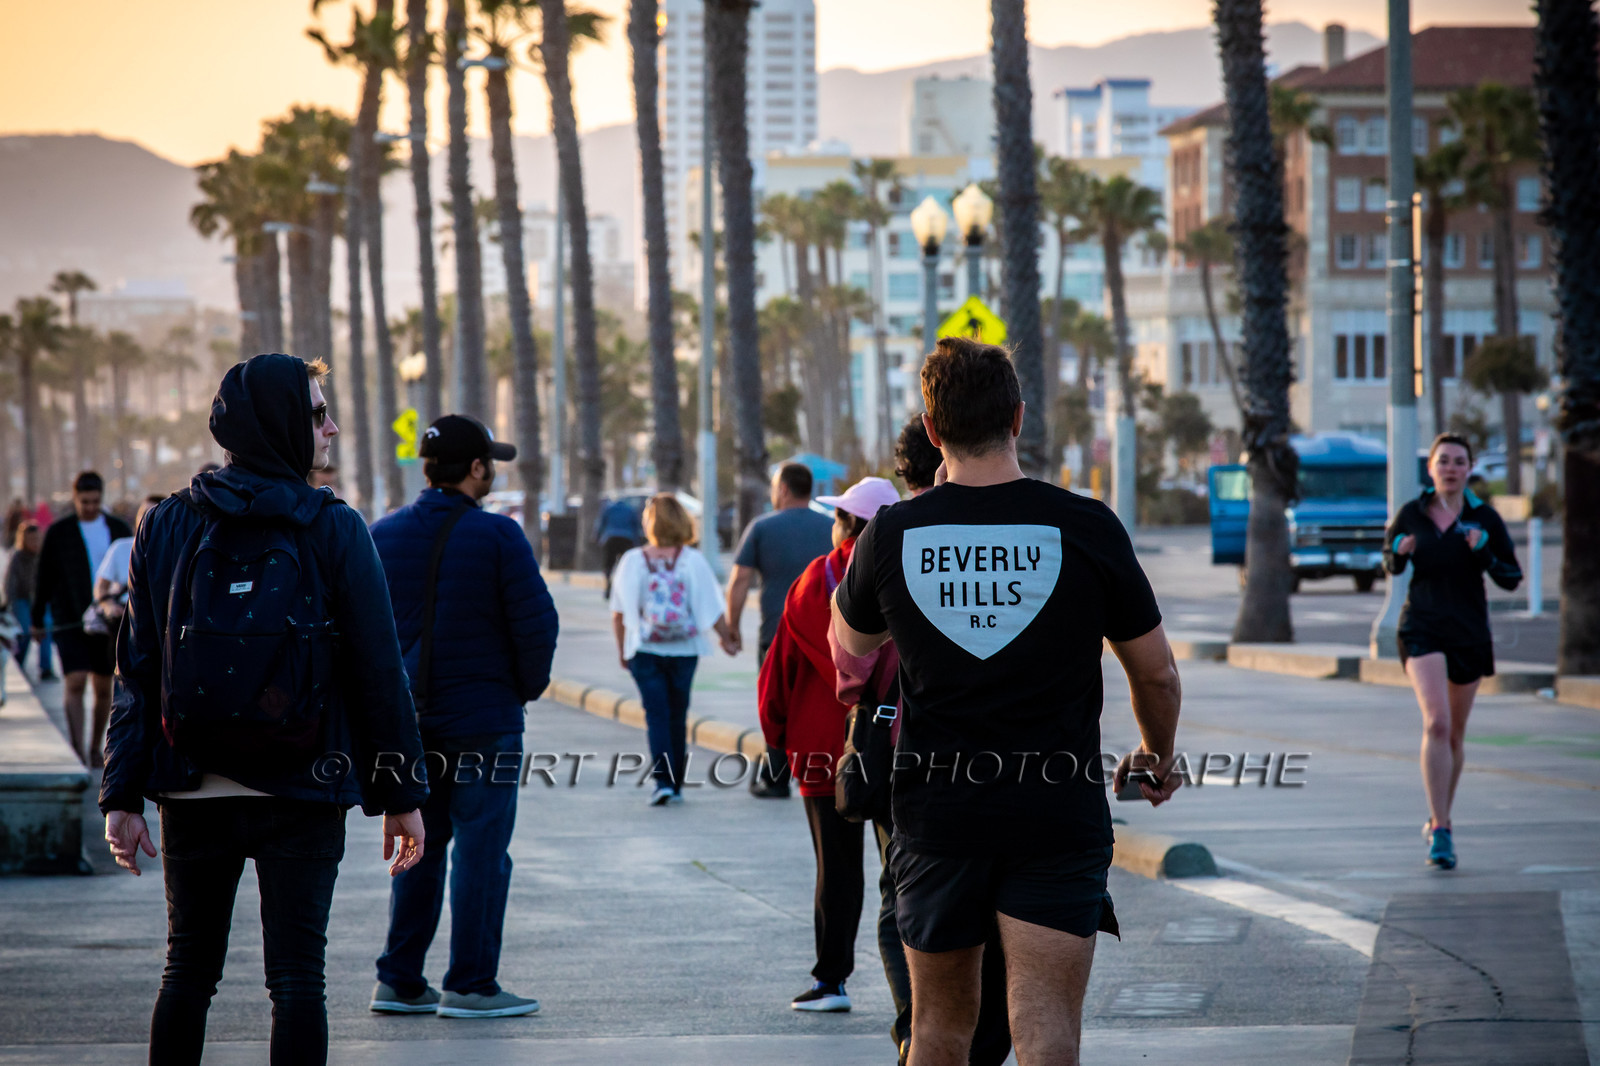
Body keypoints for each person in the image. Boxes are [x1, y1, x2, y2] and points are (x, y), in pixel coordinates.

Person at [830, 337, 1183, 1066]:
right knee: (1045, 1030)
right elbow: (1158, 676)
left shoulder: (894, 531)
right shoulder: (1086, 526)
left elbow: (849, 643)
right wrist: (1157, 754)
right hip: (1056, 812)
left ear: (933, 430)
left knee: (938, 1031)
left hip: (937, 816)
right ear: (1018, 417)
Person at [99, 352, 428, 1066]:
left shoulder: (166, 524)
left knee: (187, 971)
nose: (331, 428)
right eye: (317, 413)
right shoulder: (335, 527)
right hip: (303, 787)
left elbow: (137, 671)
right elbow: (379, 673)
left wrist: (121, 793)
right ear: (280, 422)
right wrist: (401, 795)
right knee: (298, 980)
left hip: (192, 786)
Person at [830, 417, 1012, 1065]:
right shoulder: (1026, 527)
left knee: (904, 900)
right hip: (1022, 770)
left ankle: (917, 1029)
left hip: (915, 767)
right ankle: (977, 1040)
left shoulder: (888, 538)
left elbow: (848, 664)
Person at [371, 414, 558, 1019]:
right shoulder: (499, 536)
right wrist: (521, 691)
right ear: (476, 468)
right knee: (482, 851)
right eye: (489, 462)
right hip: (484, 722)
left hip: (408, 727)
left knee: (416, 844)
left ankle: (400, 980)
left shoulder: (381, 534)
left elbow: (357, 632)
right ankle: (472, 985)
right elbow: (537, 625)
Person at [759, 476, 903, 1014]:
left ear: (846, 525)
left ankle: (831, 981)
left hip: (823, 748)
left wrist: (776, 737)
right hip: (897, 745)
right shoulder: (908, 573)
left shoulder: (810, 583)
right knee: (904, 872)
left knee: (835, 870)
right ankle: (918, 993)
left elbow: (779, 669)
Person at [1384, 433, 1522, 871]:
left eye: (1459, 462)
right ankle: (1442, 830)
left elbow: (1511, 577)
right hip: (1421, 627)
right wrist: (1398, 552)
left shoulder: (1485, 518)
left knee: (1455, 735)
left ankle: (1439, 814)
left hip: (1468, 631)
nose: (1450, 468)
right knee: (1437, 723)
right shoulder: (1412, 514)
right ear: (1431, 468)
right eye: (1443, 461)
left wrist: (1484, 551)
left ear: (1470, 469)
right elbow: (1389, 562)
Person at [610, 494, 737, 805]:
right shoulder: (692, 560)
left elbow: (619, 612)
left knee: (656, 716)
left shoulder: (632, 560)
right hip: (685, 649)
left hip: (645, 649)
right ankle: (676, 784)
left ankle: (663, 782)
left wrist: (623, 650)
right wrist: (727, 638)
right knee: (677, 716)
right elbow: (710, 607)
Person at [727, 463, 834, 797]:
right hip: (825, 635)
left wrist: (732, 626)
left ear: (784, 489)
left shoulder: (762, 527)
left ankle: (776, 777)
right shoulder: (832, 526)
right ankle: (821, 768)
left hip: (776, 632)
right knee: (819, 704)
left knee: (775, 703)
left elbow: (740, 580)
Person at [33, 471, 132, 766]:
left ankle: (94, 748)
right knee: (75, 680)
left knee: (103, 687)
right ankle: (76, 749)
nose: (90, 507)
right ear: (75, 498)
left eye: (95, 501)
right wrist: (37, 619)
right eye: (84, 501)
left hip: (106, 623)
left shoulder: (118, 528)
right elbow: (43, 577)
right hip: (70, 618)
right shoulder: (59, 532)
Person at [94, 495, 166, 628]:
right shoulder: (120, 547)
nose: (146, 519)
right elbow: (101, 586)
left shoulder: (173, 552)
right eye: (143, 513)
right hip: (122, 620)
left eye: (154, 515)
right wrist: (108, 605)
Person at [4, 522, 52, 679]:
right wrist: (10, 604)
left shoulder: (44, 556)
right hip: (22, 599)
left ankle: (46, 668)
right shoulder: (17, 557)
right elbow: (10, 583)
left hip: (40, 600)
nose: (35, 543)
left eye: (37, 539)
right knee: (24, 630)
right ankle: (19, 663)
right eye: (31, 540)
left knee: (46, 628)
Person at [594, 495, 645, 599]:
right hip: (627, 539)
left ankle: (608, 585)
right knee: (626, 564)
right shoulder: (630, 510)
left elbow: (601, 524)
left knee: (608, 564)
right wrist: (637, 543)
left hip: (610, 538)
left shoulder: (608, 509)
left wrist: (597, 537)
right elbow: (636, 527)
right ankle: (624, 588)